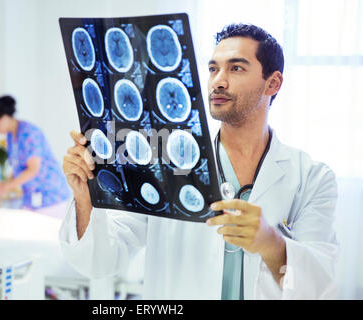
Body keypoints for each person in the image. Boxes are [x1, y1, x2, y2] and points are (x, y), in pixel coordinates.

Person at [59, 23, 338, 299]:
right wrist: (85, 197)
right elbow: (101, 261)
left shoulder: (311, 178)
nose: (218, 80)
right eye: (213, 68)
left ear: (273, 83)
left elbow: (317, 286)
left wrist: (271, 243)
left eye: (236, 68)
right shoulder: (163, 160)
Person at [0, 95, 72, 218]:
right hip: (31, 198)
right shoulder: (10, 136)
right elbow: (18, 169)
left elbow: (33, 169)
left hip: (50, 196)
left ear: (2, 117)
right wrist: (3, 185)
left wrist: (5, 187)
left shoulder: (30, 133)